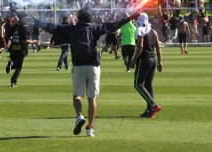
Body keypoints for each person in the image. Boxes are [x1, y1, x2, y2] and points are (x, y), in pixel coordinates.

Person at [35, 8, 139, 137]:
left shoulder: (71, 29)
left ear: (78, 18)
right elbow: (114, 24)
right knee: (92, 98)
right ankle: (90, 128)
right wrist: (130, 17)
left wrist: (35, 21)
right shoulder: (95, 28)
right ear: (90, 18)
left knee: (77, 96)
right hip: (93, 66)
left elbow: (51, 27)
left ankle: (79, 116)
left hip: (78, 66)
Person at [129, 13, 163, 118]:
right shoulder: (153, 31)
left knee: (137, 84)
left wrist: (133, 61)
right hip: (153, 59)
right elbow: (158, 47)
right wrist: (160, 62)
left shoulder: (140, 30)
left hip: (144, 60)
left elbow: (140, 46)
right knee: (148, 85)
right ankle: (149, 111)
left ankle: (152, 105)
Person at [6, 14, 37, 87]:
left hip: (13, 48)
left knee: (16, 65)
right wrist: (33, 42)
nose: (27, 20)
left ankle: (11, 64)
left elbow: (7, 36)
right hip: (20, 49)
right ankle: (13, 82)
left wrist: (14, 40)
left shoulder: (14, 27)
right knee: (19, 67)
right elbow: (25, 41)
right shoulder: (24, 28)